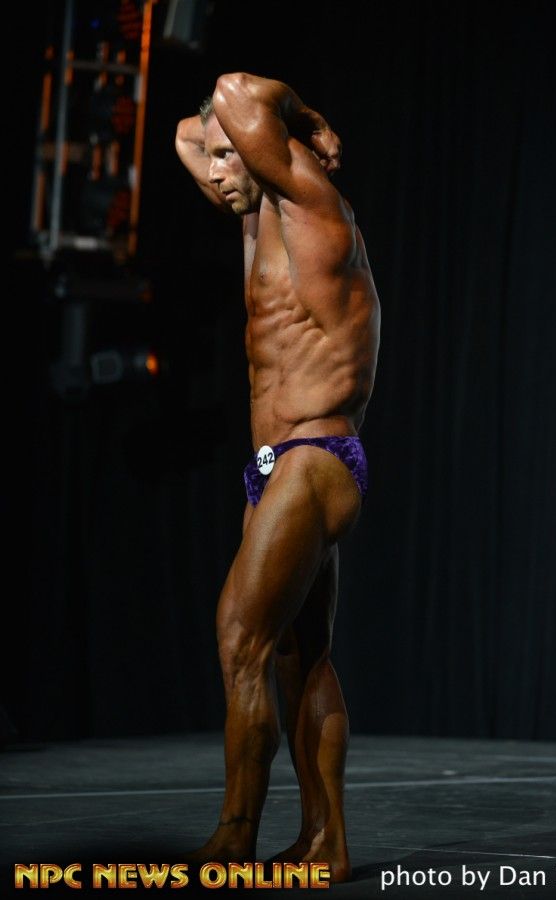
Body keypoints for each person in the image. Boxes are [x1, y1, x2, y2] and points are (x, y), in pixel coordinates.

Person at [175, 72, 380, 883]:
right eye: (216, 159)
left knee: (239, 638)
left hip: (314, 455)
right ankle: (325, 842)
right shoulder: (256, 215)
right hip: (275, 467)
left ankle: (235, 835)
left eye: (229, 157)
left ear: (266, 150)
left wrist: (309, 120)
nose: (213, 172)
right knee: (302, 660)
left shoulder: (314, 209)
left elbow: (233, 90)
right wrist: (219, 142)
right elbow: (188, 132)